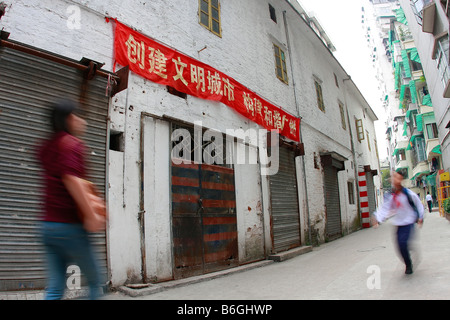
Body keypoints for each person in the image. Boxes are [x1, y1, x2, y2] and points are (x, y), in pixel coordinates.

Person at [38, 99, 105, 300]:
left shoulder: (47, 146)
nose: (83, 121)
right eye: (79, 116)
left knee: (56, 287)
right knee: (95, 283)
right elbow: (71, 180)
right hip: (70, 227)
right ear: (69, 119)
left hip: (47, 226)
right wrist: (92, 214)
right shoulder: (71, 144)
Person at [371, 171, 424, 275]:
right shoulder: (391, 196)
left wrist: (420, 217)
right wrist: (377, 217)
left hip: (408, 223)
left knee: (403, 243)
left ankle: (409, 265)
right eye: (393, 177)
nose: (395, 180)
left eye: (397, 177)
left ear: (401, 180)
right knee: (400, 246)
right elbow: (386, 209)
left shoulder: (408, 194)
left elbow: (418, 204)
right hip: (398, 224)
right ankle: (407, 261)